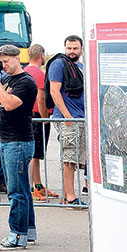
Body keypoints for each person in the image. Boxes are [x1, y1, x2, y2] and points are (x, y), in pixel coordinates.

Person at [0, 45, 38, 251]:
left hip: (18, 141)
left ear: (18, 58)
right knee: (23, 190)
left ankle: (16, 235)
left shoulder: (26, 82)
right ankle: (28, 231)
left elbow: (8, 104)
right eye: (1, 62)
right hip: (8, 140)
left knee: (16, 191)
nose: (4, 65)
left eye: (7, 61)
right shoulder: (6, 79)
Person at [48, 34, 87, 208]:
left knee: (77, 158)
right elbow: (54, 91)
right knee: (69, 158)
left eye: (75, 48)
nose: (71, 51)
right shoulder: (59, 64)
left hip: (80, 118)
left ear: (81, 49)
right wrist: (67, 116)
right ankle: (69, 197)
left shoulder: (81, 67)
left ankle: (69, 194)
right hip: (68, 119)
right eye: (69, 48)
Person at [24, 44, 57, 201]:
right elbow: (40, 97)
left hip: (27, 115)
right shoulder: (38, 74)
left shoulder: (24, 71)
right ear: (42, 56)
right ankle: (31, 187)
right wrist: (45, 118)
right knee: (34, 153)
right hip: (37, 115)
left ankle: (37, 185)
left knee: (36, 154)